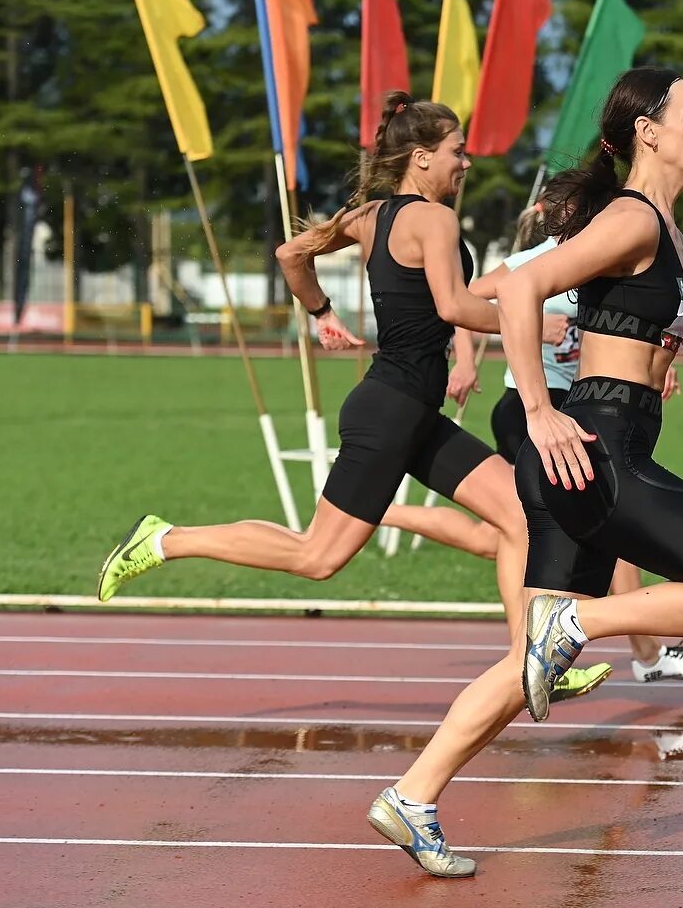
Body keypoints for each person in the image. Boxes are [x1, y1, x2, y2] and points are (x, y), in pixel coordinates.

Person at [364, 67, 683, 877]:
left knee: (529, 658)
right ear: (649, 131)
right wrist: (537, 409)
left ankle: (413, 795)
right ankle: (577, 627)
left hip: (604, 449)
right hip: (597, 448)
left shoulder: (669, 237)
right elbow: (525, 285)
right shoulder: (630, 219)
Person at [93, 90, 609, 700]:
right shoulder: (435, 219)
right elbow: (454, 306)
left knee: (521, 515)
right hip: (391, 411)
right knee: (317, 556)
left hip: (411, 409)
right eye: (456, 152)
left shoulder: (369, 216)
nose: (465, 163)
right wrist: (526, 318)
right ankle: (165, 538)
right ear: (421, 157)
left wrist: (321, 311)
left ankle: (532, 662)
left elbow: (291, 254)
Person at [379, 198, 683, 685]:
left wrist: (657, 364)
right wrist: (476, 358)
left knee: (496, 537)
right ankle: (635, 654)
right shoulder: (534, 260)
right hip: (531, 415)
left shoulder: (601, 259)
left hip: (577, 409)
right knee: (604, 530)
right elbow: (459, 298)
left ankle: (377, 510)